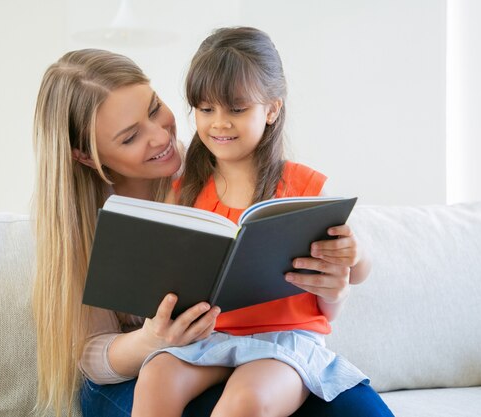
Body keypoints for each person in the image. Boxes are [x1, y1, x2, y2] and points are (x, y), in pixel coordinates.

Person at [31, 48, 394, 417]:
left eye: (155, 108)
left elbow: (331, 282)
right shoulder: (76, 225)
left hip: (261, 349)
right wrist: (152, 339)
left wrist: (337, 287)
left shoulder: (214, 167)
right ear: (87, 157)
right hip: (146, 369)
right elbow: (90, 357)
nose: (160, 137)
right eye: (130, 137)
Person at [131, 27, 391, 417]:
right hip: (209, 336)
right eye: (206, 109)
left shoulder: (305, 186)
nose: (219, 123)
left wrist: (356, 254)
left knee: (247, 400)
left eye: (236, 109)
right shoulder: (184, 188)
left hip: (284, 341)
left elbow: (357, 269)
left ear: (271, 109)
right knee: (155, 376)